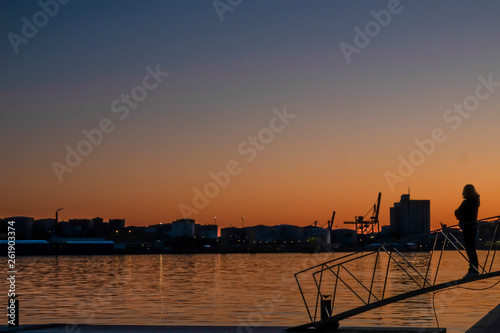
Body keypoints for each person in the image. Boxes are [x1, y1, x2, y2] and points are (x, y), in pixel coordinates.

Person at [454, 184, 480, 279]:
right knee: (471, 249)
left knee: (470, 249)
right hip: (472, 227)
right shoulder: (475, 201)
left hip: (468, 227)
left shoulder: (467, 202)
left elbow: (458, 212)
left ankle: (473, 270)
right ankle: (473, 269)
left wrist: (458, 215)